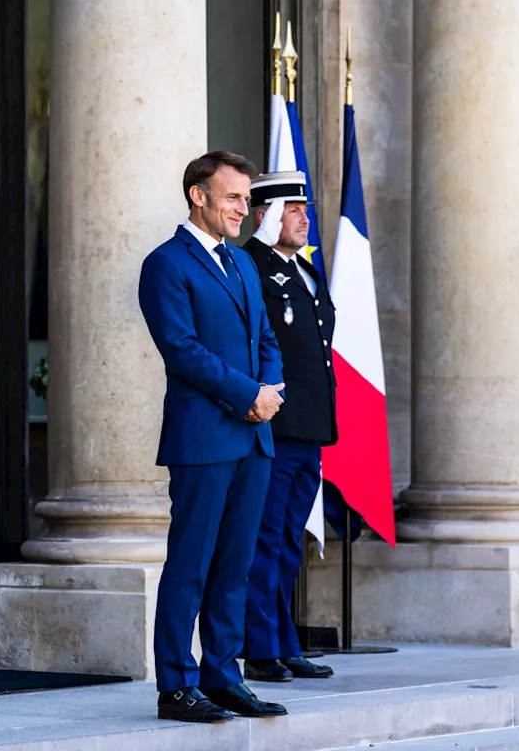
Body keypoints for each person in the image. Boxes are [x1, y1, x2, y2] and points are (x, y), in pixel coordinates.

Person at [138, 151, 288, 723]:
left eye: (246, 200)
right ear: (198, 195)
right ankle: (175, 685)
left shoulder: (245, 265)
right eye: (233, 198)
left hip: (254, 439)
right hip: (203, 439)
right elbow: (182, 350)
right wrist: (247, 394)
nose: (243, 210)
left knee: (235, 566)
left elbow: (265, 337)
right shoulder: (165, 265)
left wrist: (268, 389)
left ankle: (223, 677)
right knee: (192, 564)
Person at [238, 171, 336, 682]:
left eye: (304, 207)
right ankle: (260, 646)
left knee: (288, 541)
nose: (304, 216)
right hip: (276, 426)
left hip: (309, 428)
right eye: (291, 208)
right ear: (265, 214)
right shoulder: (252, 265)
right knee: (265, 540)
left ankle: (283, 641)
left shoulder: (303, 271)